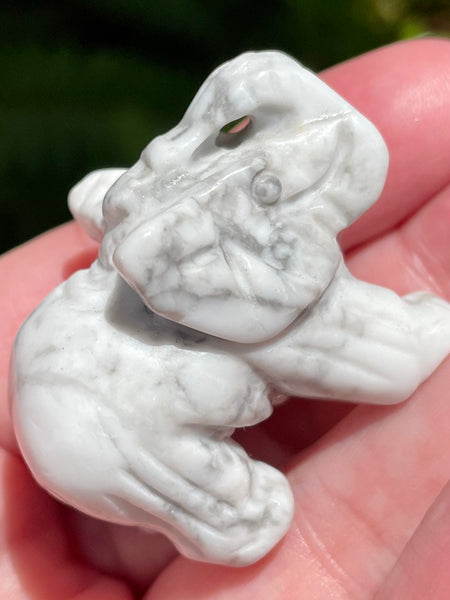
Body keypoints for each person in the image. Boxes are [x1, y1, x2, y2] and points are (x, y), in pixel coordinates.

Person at [1, 37, 449, 599]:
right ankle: (218, 515)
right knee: (247, 513)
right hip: (109, 429)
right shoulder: (257, 309)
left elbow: (96, 197)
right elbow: (397, 363)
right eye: (266, 191)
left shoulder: (141, 234)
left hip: (60, 380)